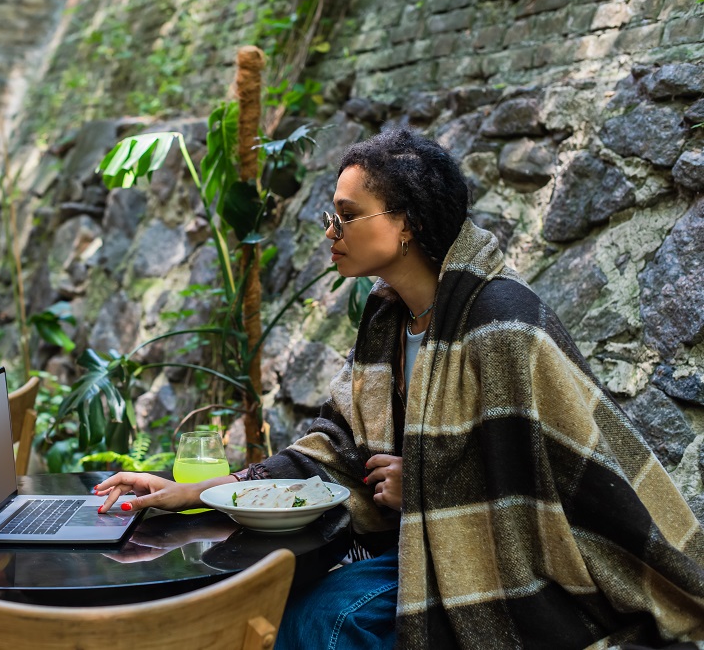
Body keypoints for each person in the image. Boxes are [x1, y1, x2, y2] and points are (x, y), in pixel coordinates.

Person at [95, 128, 704, 649]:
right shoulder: (389, 318)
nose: (331, 230)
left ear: (406, 223)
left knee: (332, 619)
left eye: (348, 214)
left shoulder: (500, 321)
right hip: (428, 546)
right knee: (290, 599)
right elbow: (335, 448)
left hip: (532, 569)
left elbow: (554, 480)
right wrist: (192, 492)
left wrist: (421, 483)